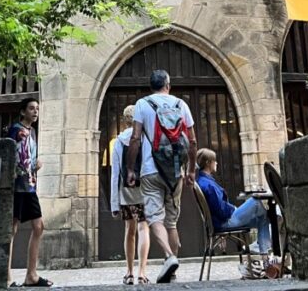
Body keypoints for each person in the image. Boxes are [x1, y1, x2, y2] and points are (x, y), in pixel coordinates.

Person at [126, 69, 197, 284]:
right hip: (176, 170)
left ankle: (169, 256)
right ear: (168, 84)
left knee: (154, 217)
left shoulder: (142, 104)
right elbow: (192, 141)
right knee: (172, 222)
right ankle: (172, 273)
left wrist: (130, 169)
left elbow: (136, 138)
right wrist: (191, 170)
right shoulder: (180, 104)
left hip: (150, 169)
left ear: (151, 86)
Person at [6, 97, 53, 287]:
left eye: (37, 109)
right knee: (12, 229)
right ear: (23, 111)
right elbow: (12, 148)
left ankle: (31, 275)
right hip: (18, 186)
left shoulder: (32, 132)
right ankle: (6, 276)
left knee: (38, 226)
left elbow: (26, 159)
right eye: (31, 108)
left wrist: (35, 165)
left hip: (29, 186)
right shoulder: (18, 130)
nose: (35, 111)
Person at [195, 148, 272, 259]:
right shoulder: (208, 184)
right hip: (224, 222)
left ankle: (266, 259)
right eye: (214, 160)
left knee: (263, 217)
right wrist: (234, 209)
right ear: (208, 163)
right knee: (256, 201)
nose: (216, 163)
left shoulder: (203, 181)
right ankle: (265, 256)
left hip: (220, 221)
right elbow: (221, 210)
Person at [111, 104, 151, 284]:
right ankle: (142, 272)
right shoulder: (145, 139)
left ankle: (129, 272)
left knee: (129, 230)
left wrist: (114, 203)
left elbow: (115, 174)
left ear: (124, 120)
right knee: (144, 228)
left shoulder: (119, 141)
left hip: (126, 192)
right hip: (144, 190)